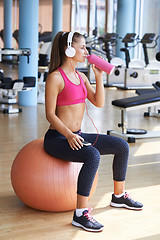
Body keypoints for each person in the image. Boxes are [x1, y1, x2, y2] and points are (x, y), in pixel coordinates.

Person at [44, 31, 143, 232]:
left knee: (121, 146)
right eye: (82, 47)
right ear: (69, 50)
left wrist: (98, 77)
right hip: (58, 138)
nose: (86, 51)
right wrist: (69, 135)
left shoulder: (80, 77)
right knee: (92, 155)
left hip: (77, 135)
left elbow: (98, 102)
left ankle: (118, 196)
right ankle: (80, 214)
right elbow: (49, 115)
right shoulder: (55, 78)